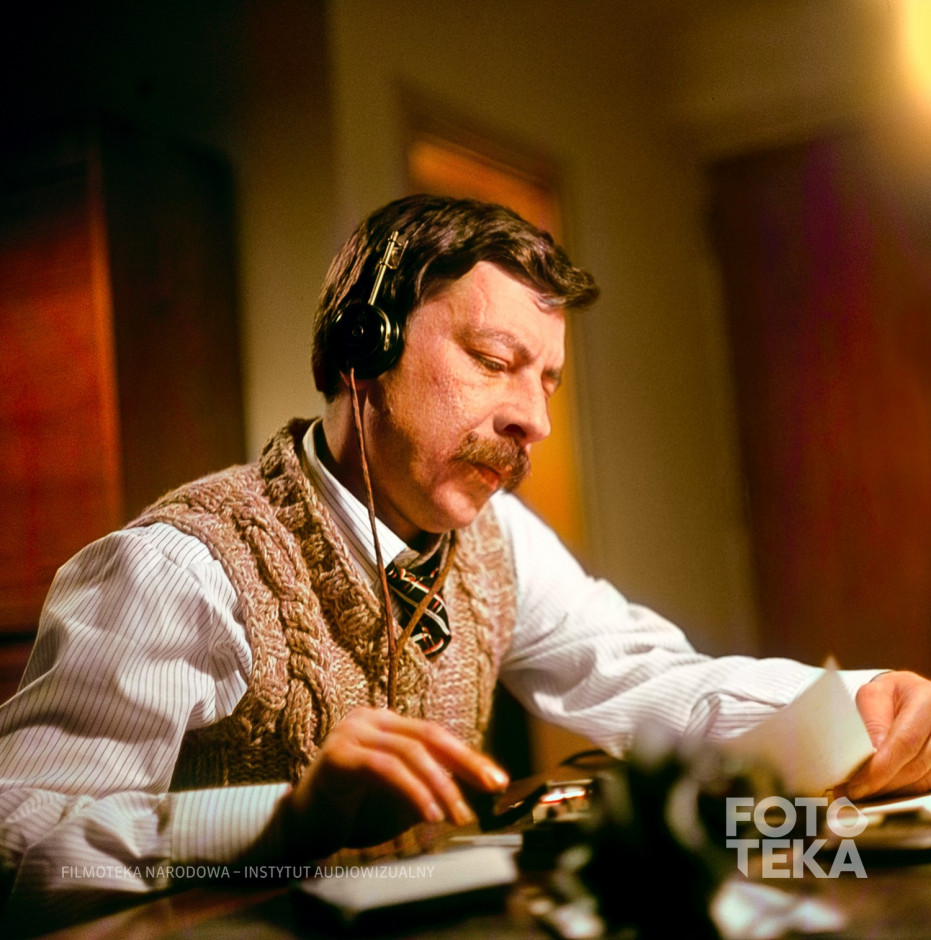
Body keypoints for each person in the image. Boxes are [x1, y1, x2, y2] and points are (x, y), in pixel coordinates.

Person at [2, 194, 931, 930]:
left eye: (547, 379)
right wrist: (284, 821)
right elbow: (18, 842)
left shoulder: (500, 540)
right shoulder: (177, 571)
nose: (535, 420)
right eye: (493, 359)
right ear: (362, 349)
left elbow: (644, 676)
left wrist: (858, 708)